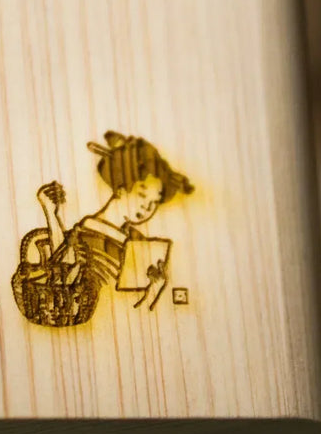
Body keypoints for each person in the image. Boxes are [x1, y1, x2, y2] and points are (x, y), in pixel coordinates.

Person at [14, 132, 193, 324]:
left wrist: (154, 287)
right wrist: (51, 213)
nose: (147, 209)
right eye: (142, 196)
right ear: (122, 188)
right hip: (76, 310)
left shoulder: (137, 242)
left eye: (154, 203)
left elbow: (135, 307)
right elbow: (62, 274)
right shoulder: (88, 230)